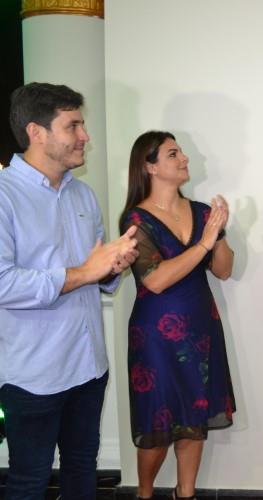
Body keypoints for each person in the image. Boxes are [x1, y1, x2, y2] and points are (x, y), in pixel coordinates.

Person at [0, 82, 138, 499]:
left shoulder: (83, 194)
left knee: (82, 470)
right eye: (72, 126)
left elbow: (96, 274)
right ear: (36, 132)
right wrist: (83, 272)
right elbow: (4, 283)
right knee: (29, 481)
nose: (85, 136)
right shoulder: (5, 197)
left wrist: (112, 268)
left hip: (88, 366)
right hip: (33, 374)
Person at [119, 130, 236, 500]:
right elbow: (155, 280)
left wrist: (218, 233)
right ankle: (144, 493)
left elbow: (223, 270)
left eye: (181, 152)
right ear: (150, 166)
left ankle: (186, 493)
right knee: (158, 424)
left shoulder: (202, 213)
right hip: (155, 337)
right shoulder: (135, 219)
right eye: (173, 153)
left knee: (193, 418)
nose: (185, 158)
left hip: (201, 329)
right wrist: (203, 242)